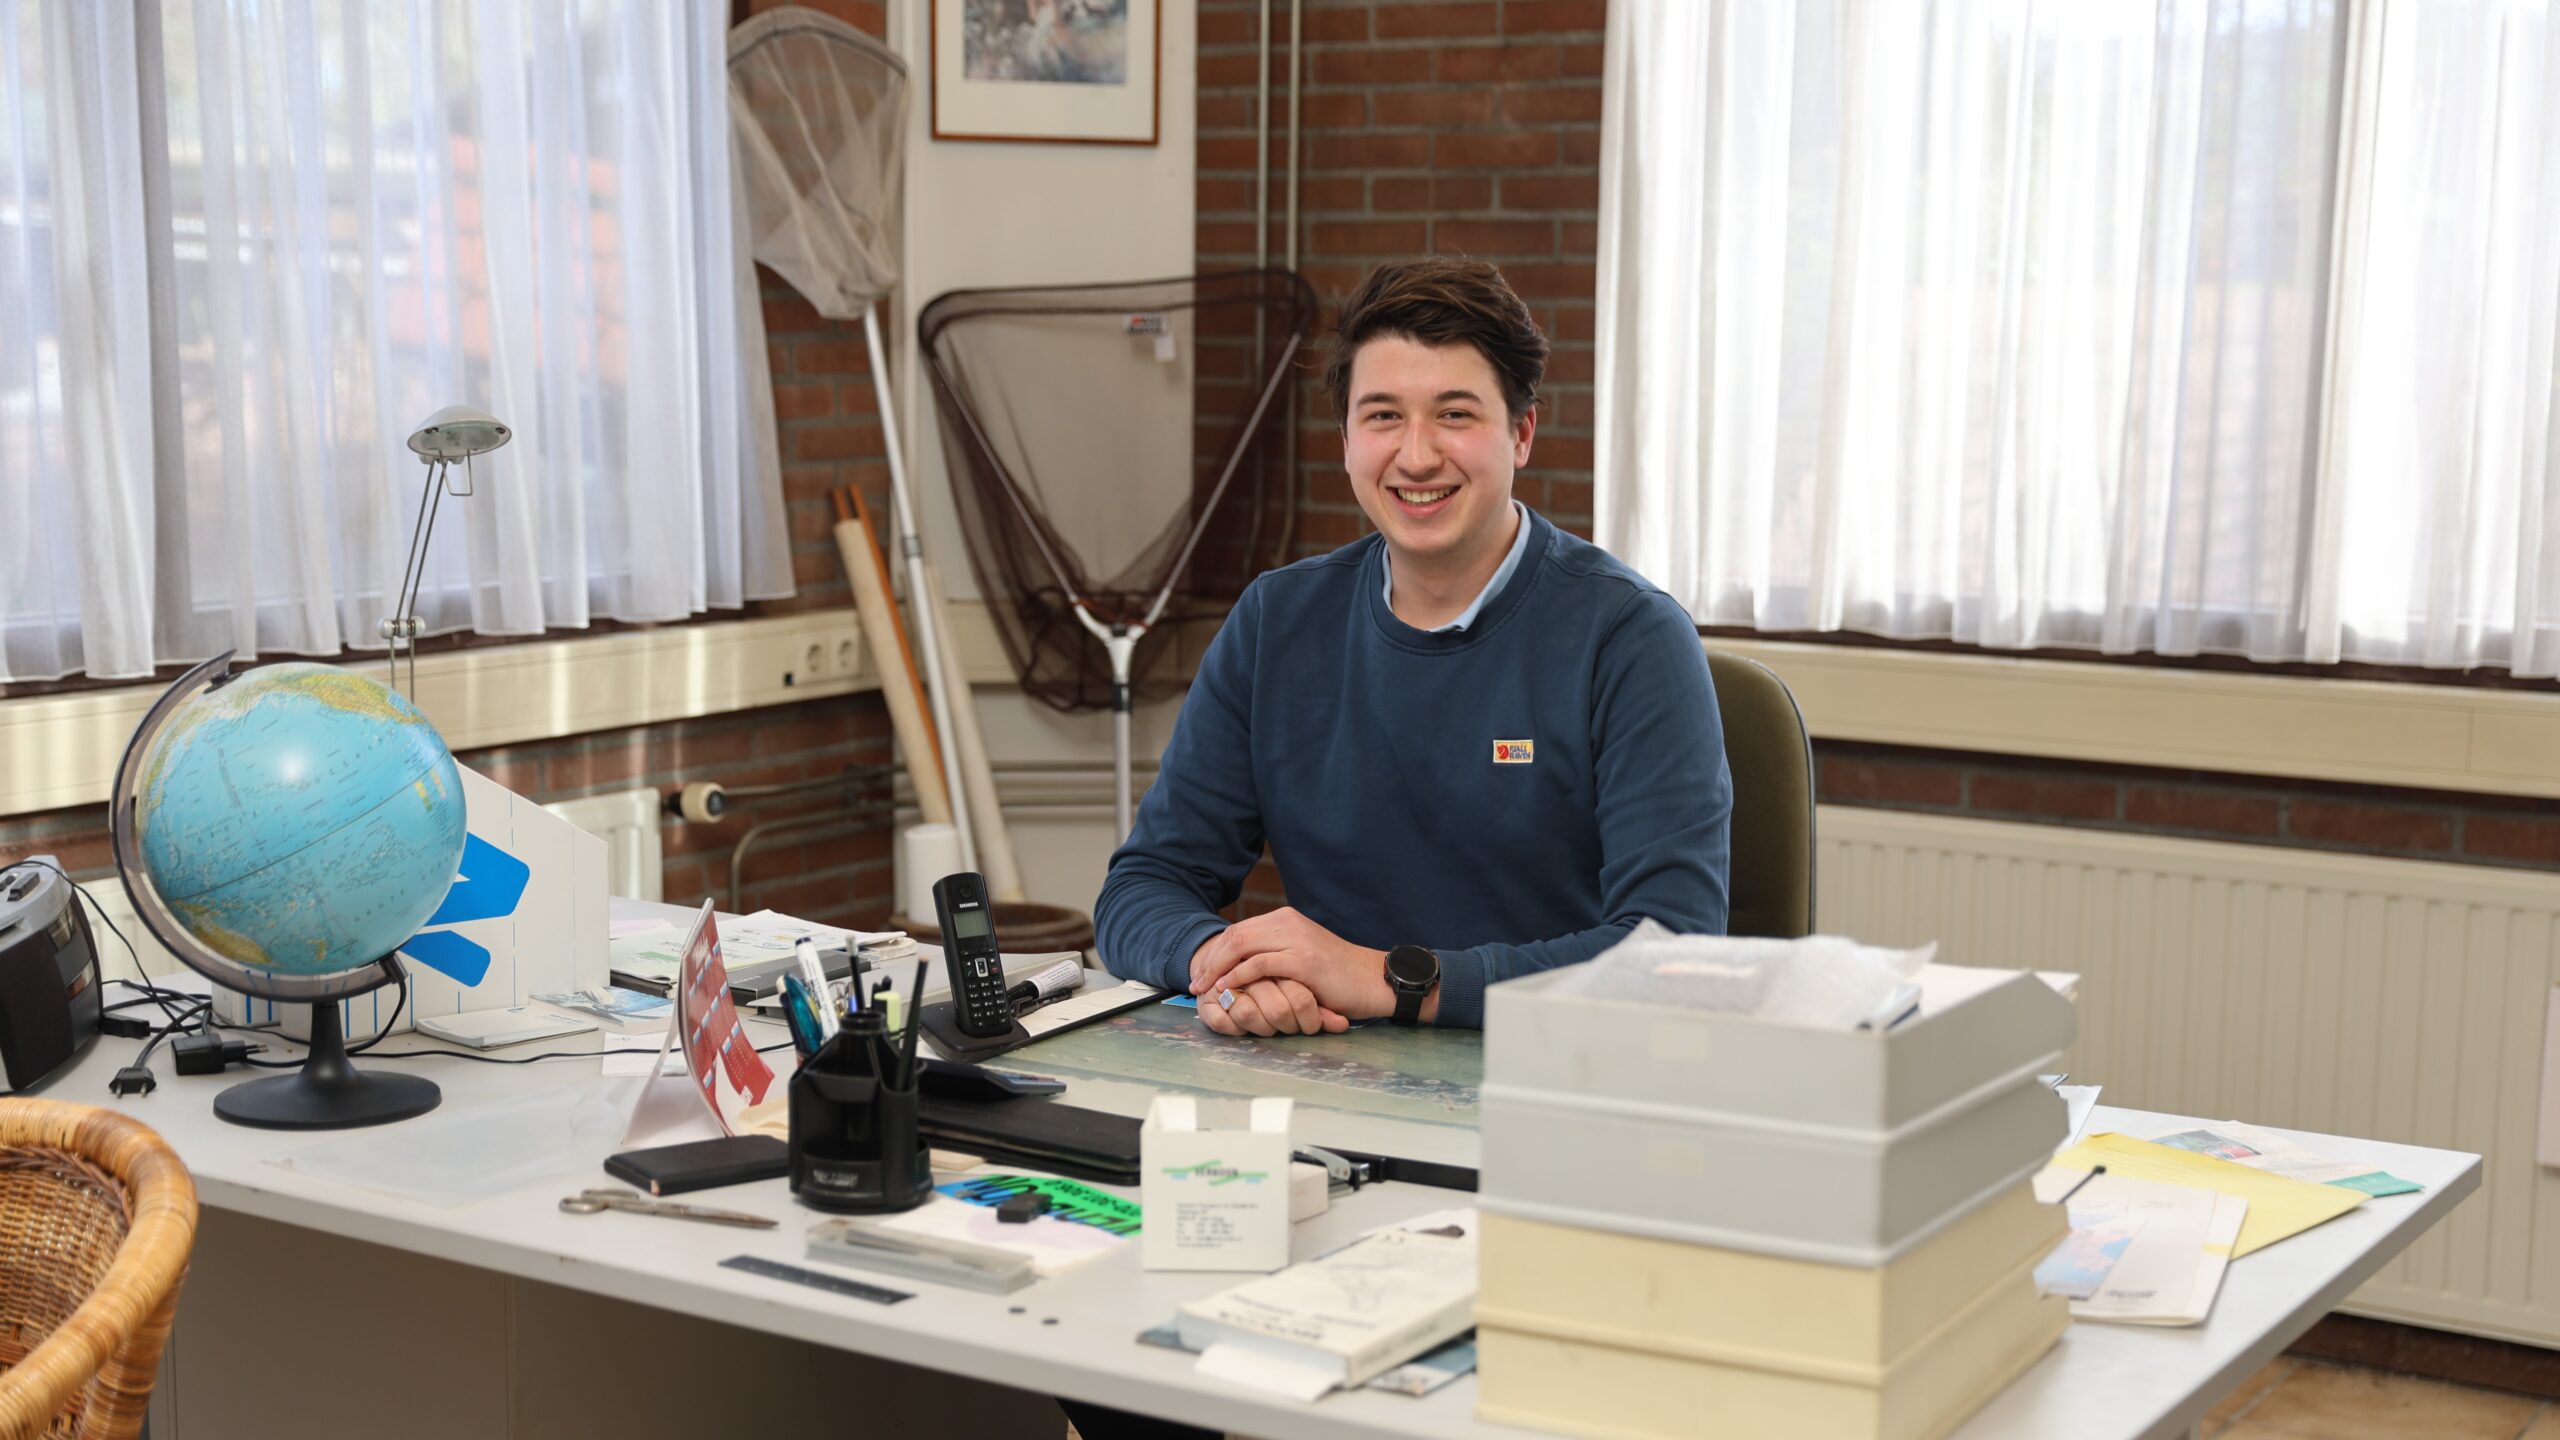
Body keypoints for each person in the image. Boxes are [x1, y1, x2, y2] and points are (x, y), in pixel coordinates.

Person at [1090, 256, 1733, 1035]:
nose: (1418, 455)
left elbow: (1670, 953)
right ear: (1348, 438)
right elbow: (1144, 886)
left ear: (1521, 433)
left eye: (1456, 415)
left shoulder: (1630, 638)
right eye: (1383, 416)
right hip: (1328, 1084)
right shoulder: (1276, 623)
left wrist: (1390, 982)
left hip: (1561, 1085)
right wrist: (1224, 965)